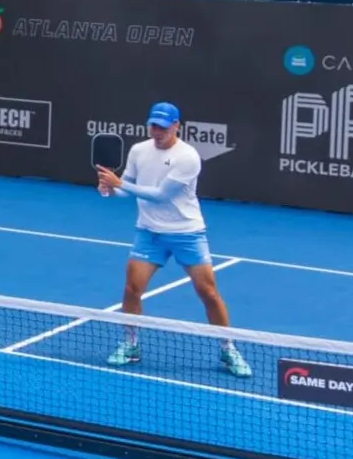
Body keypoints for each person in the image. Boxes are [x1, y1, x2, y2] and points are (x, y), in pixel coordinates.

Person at [95, 102, 252, 378]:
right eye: (153, 125)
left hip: (186, 233)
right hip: (149, 233)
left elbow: (159, 195)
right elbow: (128, 189)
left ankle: (228, 348)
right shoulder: (138, 150)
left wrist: (120, 184)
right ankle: (131, 345)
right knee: (132, 289)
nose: (157, 132)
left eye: (163, 127)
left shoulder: (188, 157)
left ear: (177, 126)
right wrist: (109, 189)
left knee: (208, 293)